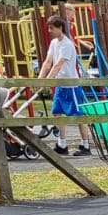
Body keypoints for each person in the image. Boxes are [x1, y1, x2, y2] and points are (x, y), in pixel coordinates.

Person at [40, 14, 92, 157]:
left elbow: (58, 64)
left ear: (60, 28)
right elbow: (48, 62)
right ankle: (62, 144)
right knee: (57, 112)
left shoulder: (67, 45)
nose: (49, 31)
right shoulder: (54, 43)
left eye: (52, 28)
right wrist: (39, 79)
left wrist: (47, 81)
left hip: (71, 85)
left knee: (78, 115)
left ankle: (85, 145)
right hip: (61, 85)